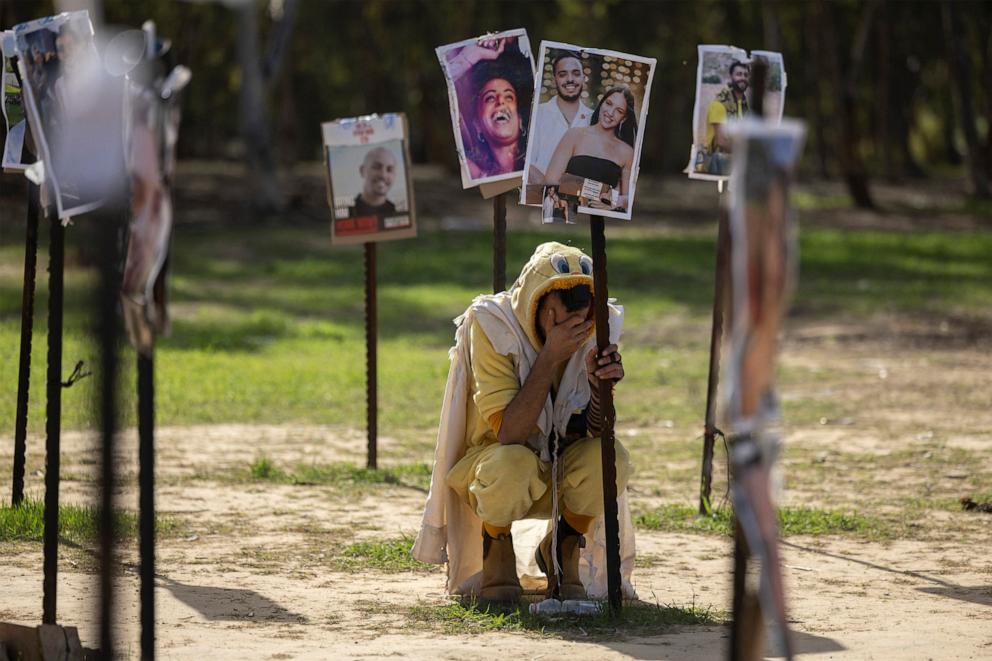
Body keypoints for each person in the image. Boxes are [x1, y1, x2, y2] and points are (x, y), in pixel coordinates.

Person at [413, 242, 637, 606]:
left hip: (560, 466)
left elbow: (596, 432)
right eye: (567, 321)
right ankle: (495, 552)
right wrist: (550, 357)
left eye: (584, 323)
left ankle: (562, 547)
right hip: (493, 467)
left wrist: (601, 388)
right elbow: (510, 432)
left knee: (611, 460)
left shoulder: (597, 327)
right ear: (543, 309)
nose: (577, 332)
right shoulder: (492, 325)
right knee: (511, 463)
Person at [443, 37, 532, 180]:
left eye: (509, 97)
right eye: (490, 98)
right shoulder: (474, 171)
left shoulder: (537, 164)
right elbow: (447, 79)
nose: (500, 102)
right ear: (477, 125)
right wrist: (469, 57)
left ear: (521, 120)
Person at [542, 86, 638, 212]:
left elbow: (627, 197)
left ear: (624, 117)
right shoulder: (574, 135)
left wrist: (615, 200)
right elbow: (551, 180)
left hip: (603, 215)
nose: (610, 112)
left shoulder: (627, 152)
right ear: (601, 103)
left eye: (619, 111)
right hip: (567, 211)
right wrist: (600, 190)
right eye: (608, 104)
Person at [527, 51, 594, 185]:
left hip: (580, 202)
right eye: (563, 74)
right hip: (537, 200)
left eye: (576, 73)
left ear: (583, 78)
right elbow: (526, 162)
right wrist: (551, 191)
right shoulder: (537, 114)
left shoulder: (594, 119)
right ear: (554, 80)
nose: (570, 79)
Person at [706, 59, 750, 154]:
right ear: (731, 77)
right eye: (739, 74)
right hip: (719, 163)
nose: (743, 78)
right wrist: (744, 155)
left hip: (737, 161)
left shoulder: (745, 105)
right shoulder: (719, 103)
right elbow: (720, 141)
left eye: (746, 75)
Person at [348, 146, 397, 218]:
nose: (383, 175)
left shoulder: (397, 212)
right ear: (362, 171)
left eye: (389, 170)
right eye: (377, 167)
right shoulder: (348, 212)